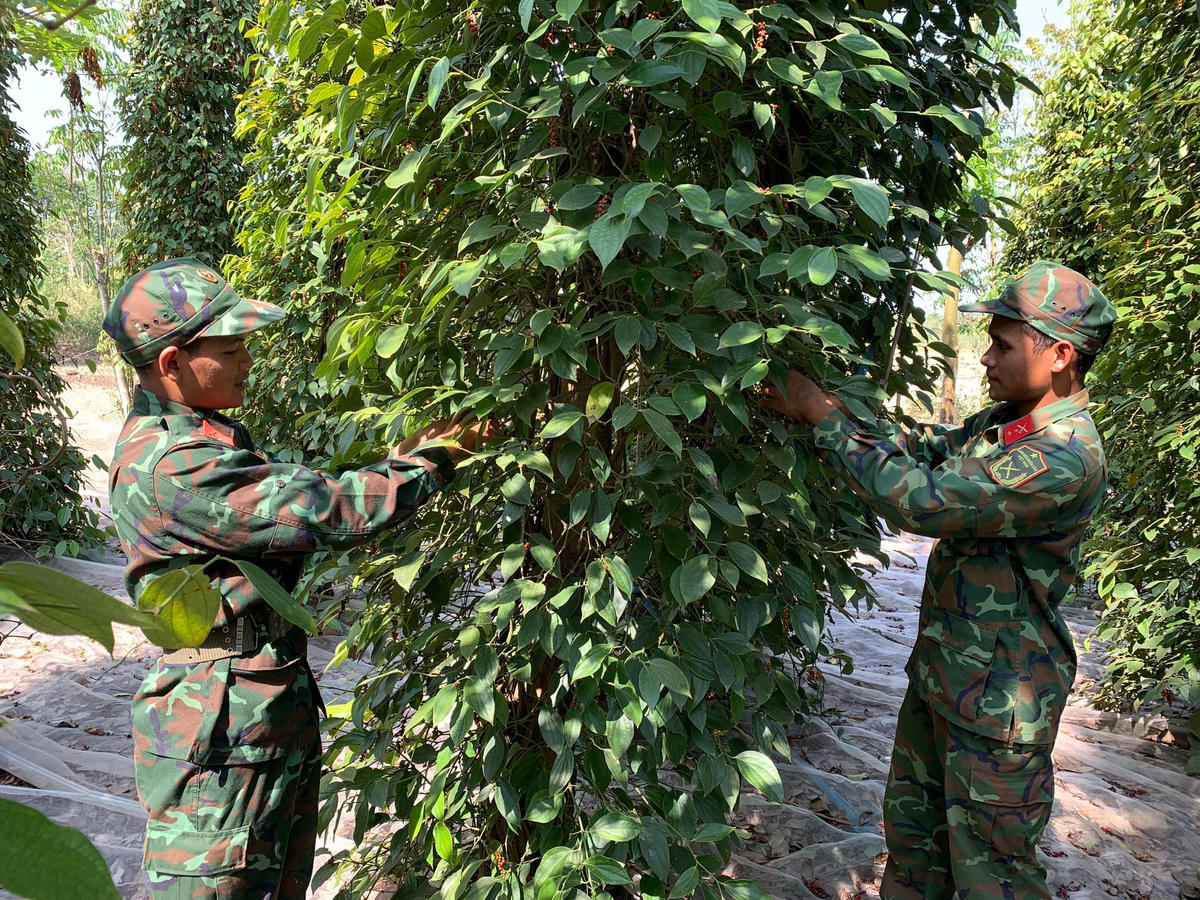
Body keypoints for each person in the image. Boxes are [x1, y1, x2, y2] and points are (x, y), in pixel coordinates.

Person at [104, 258, 488, 898]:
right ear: (171, 364)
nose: (246, 362)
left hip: (257, 711)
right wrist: (431, 461)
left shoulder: (199, 440)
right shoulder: (172, 466)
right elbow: (329, 508)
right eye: (230, 350)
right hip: (220, 738)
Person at [761, 262, 1116, 899]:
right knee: (913, 856)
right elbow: (925, 449)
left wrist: (821, 415)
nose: (987, 357)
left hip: (1000, 712)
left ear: (1061, 354)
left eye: (1004, 344)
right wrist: (842, 410)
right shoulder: (1007, 425)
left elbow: (923, 500)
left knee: (993, 880)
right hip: (943, 684)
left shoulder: (1064, 456)